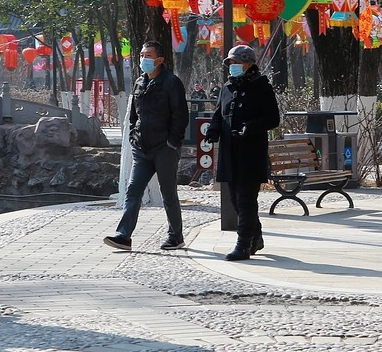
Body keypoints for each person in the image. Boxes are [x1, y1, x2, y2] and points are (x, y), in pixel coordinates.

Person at [104, 41, 189, 251]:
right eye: (142, 54)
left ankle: (176, 236)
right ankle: (124, 236)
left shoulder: (171, 83)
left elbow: (180, 116)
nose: (143, 59)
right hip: (142, 148)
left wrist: (172, 143)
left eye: (148, 55)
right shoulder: (140, 82)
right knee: (133, 191)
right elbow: (134, 115)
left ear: (159, 60)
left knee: (168, 193)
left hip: (164, 148)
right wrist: (133, 136)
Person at [206, 45, 281, 261]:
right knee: (234, 199)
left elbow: (273, 118)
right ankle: (255, 235)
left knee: (246, 199)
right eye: (230, 63)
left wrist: (251, 127)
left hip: (250, 153)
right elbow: (219, 114)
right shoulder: (227, 87)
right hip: (229, 152)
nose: (232, 66)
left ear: (248, 64)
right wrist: (213, 130)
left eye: (236, 62)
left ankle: (243, 244)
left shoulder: (261, 87)